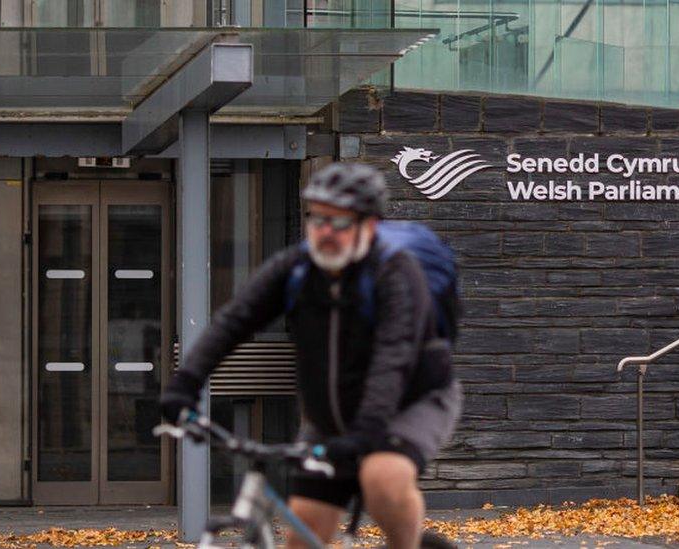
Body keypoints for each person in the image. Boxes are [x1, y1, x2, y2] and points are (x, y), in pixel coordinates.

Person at [159, 162, 463, 549]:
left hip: (411, 401)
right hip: (330, 416)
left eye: (339, 222)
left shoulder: (395, 273)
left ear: (368, 226)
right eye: (318, 219)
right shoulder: (296, 268)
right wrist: (185, 384)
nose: (325, 232)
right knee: (304, 529)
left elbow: (395, 357)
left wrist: (365, 434)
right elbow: (232, 322)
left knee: (381, 477)